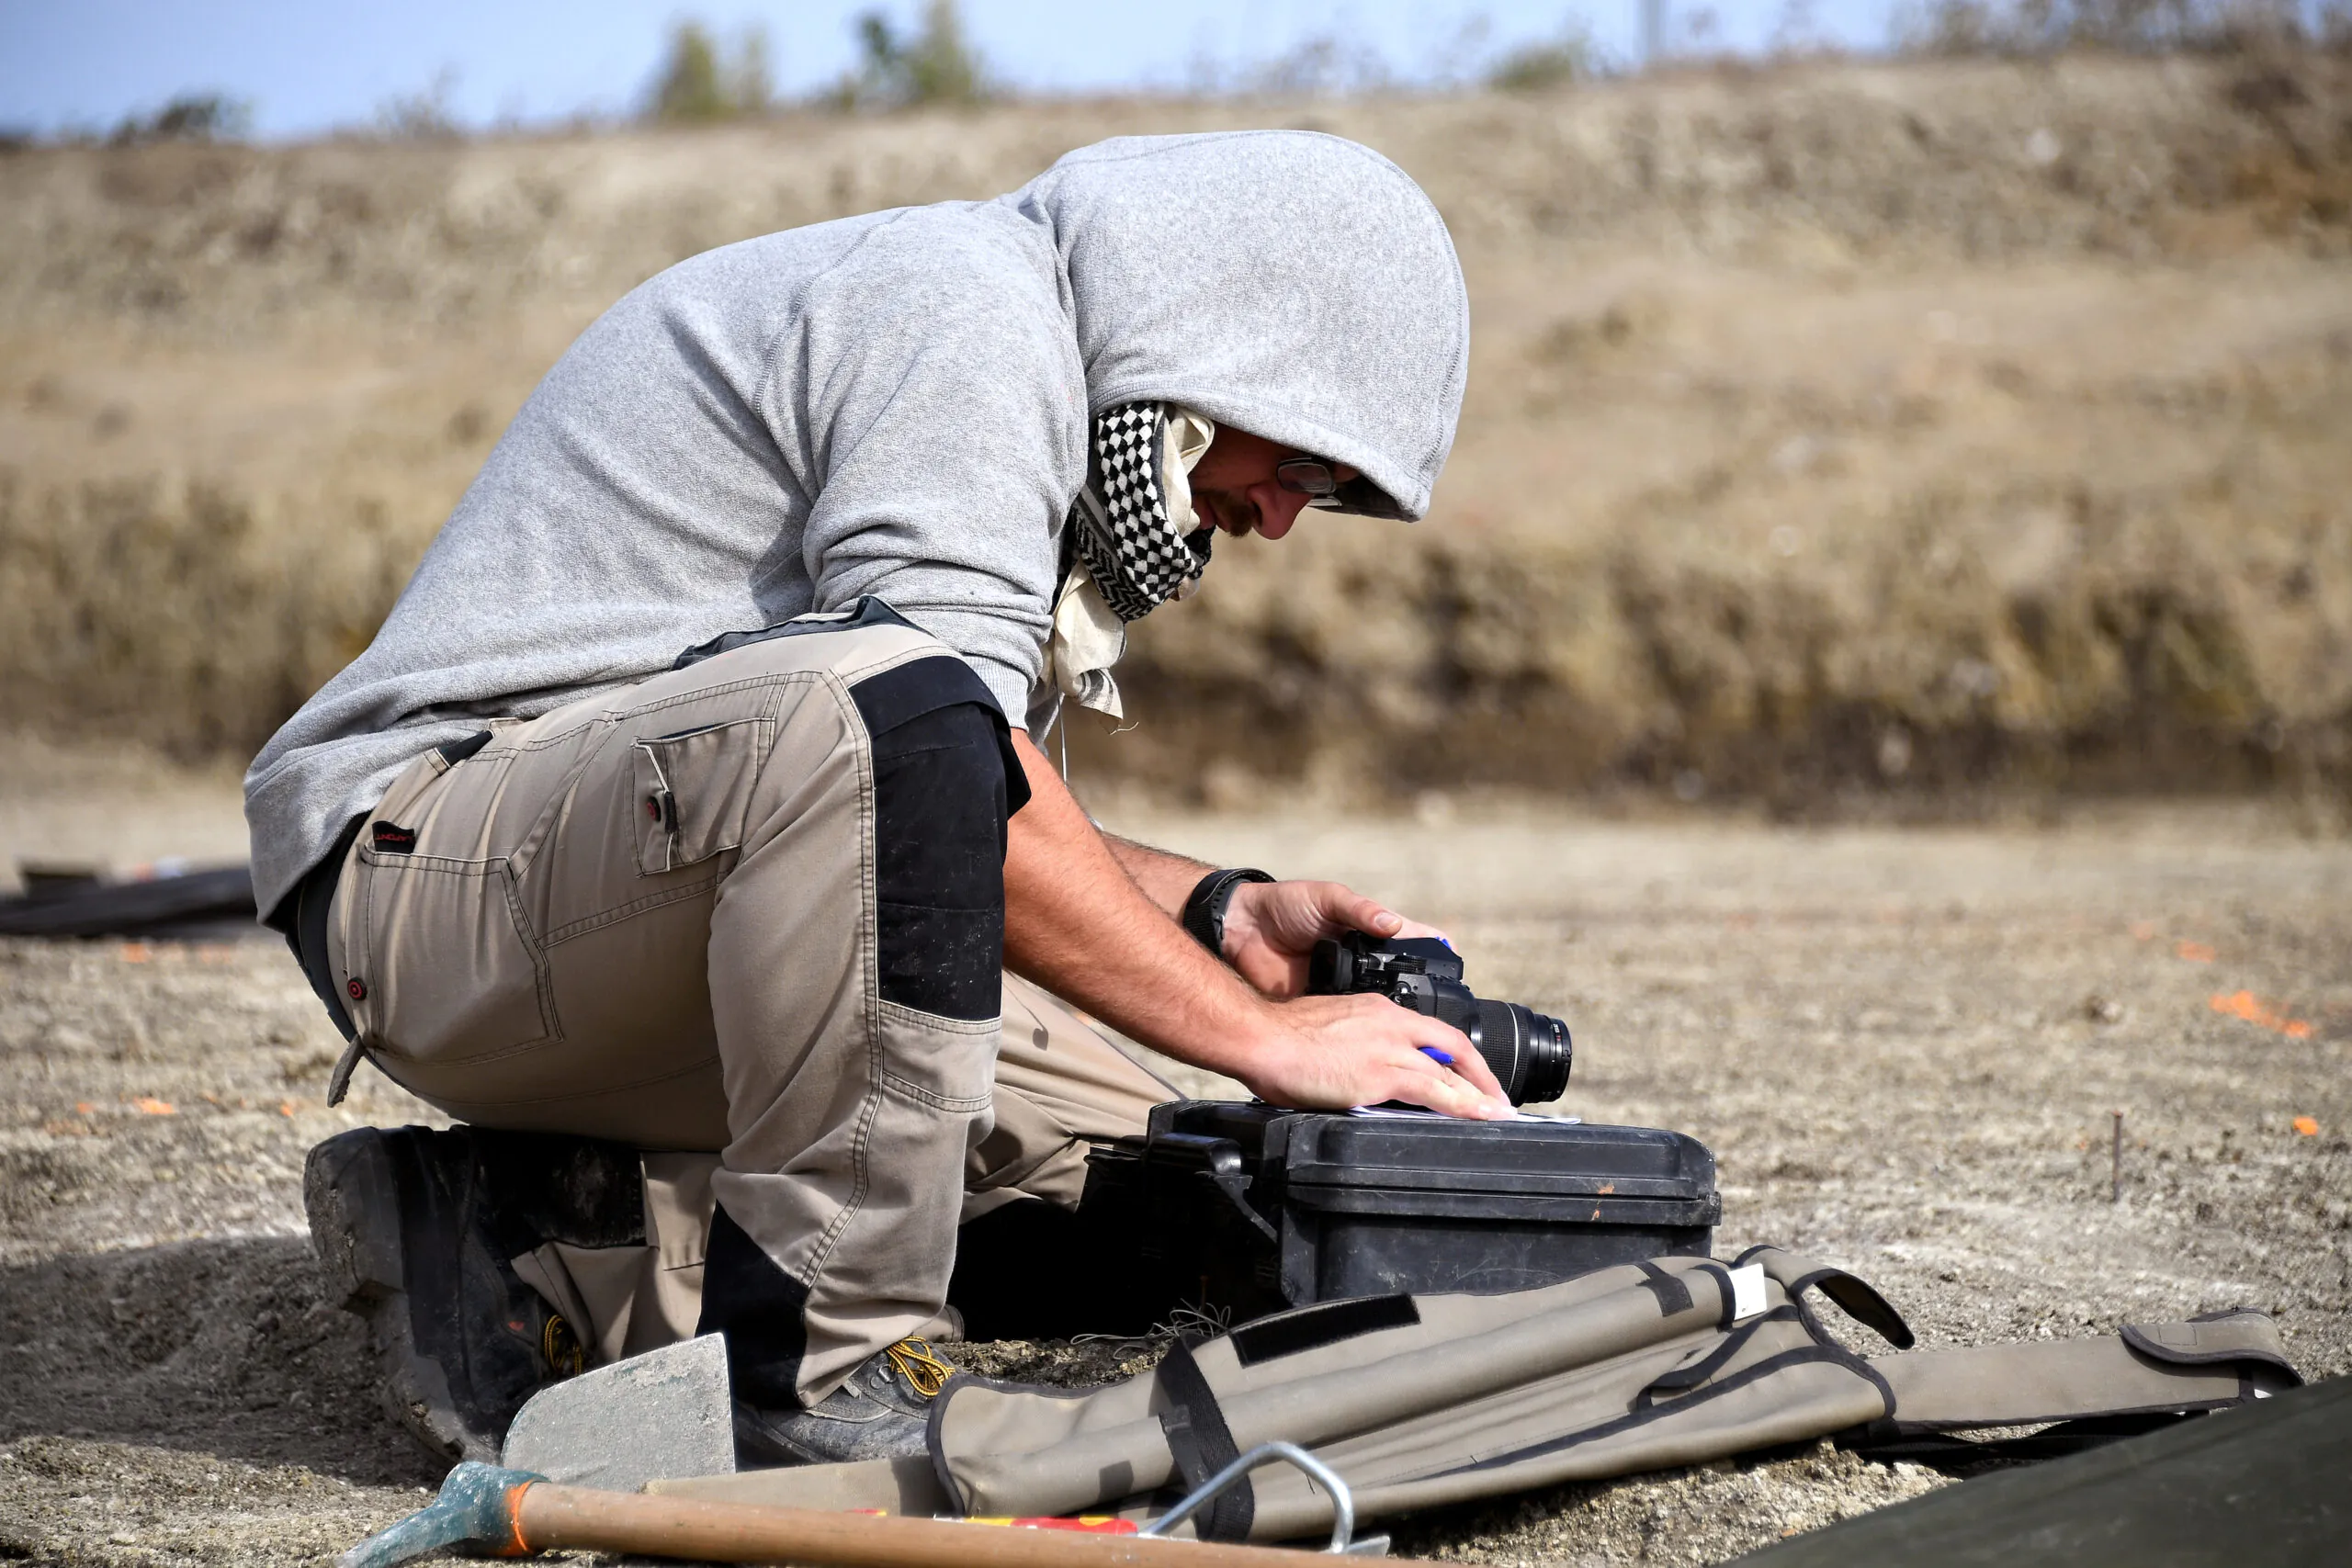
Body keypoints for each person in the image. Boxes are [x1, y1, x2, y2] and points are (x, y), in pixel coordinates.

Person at [250, 130, 1502, 1469]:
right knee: (904, 729)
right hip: (423, 885)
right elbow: (911, 752)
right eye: (1307, 466)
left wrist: (1218, 914)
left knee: (1141, 1179)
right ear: (1231, 332)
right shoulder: (965, 310)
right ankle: (819, 1369)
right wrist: (1266, 1037)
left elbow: (941, 814)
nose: (1279, 521)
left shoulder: (1007, 337)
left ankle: (536, 1240)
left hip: (595, 885)